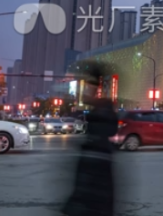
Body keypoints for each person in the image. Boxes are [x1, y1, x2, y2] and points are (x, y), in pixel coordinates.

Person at [62, 61, 119, 216]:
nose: (84, 90)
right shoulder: (98, 113)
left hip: (95, 183)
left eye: (87, 85)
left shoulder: (103, 113)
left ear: (96, 88)